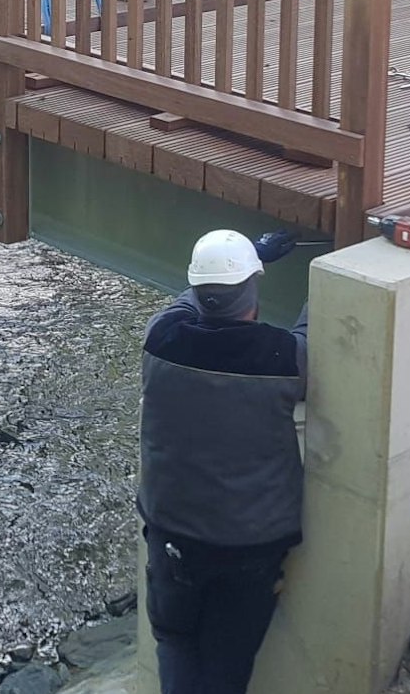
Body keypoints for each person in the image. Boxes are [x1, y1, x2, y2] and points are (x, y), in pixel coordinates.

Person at [138, 229, 309, 693]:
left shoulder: (160, 340)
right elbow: (316, 327)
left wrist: (248, 258)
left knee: (174, 640)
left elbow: (187, 303)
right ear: (252, 290)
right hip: (247, 546)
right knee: (225, 666)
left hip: (172, 535)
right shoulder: (283, 357)